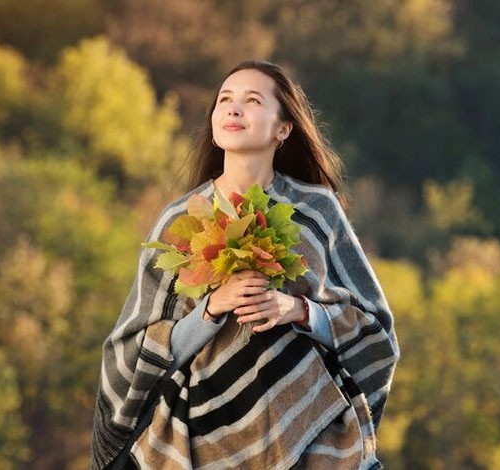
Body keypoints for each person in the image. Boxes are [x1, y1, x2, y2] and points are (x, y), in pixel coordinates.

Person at [90, 60, 400, 470]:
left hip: (310, 435)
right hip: (200, 440)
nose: (233, 109)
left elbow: (376, 333)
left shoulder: (316, 211)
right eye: (225, 100)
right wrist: (212, 308)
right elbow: (129, 350)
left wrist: (300, 311)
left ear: (283, 128)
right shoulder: (180, 219)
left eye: (252, 100)